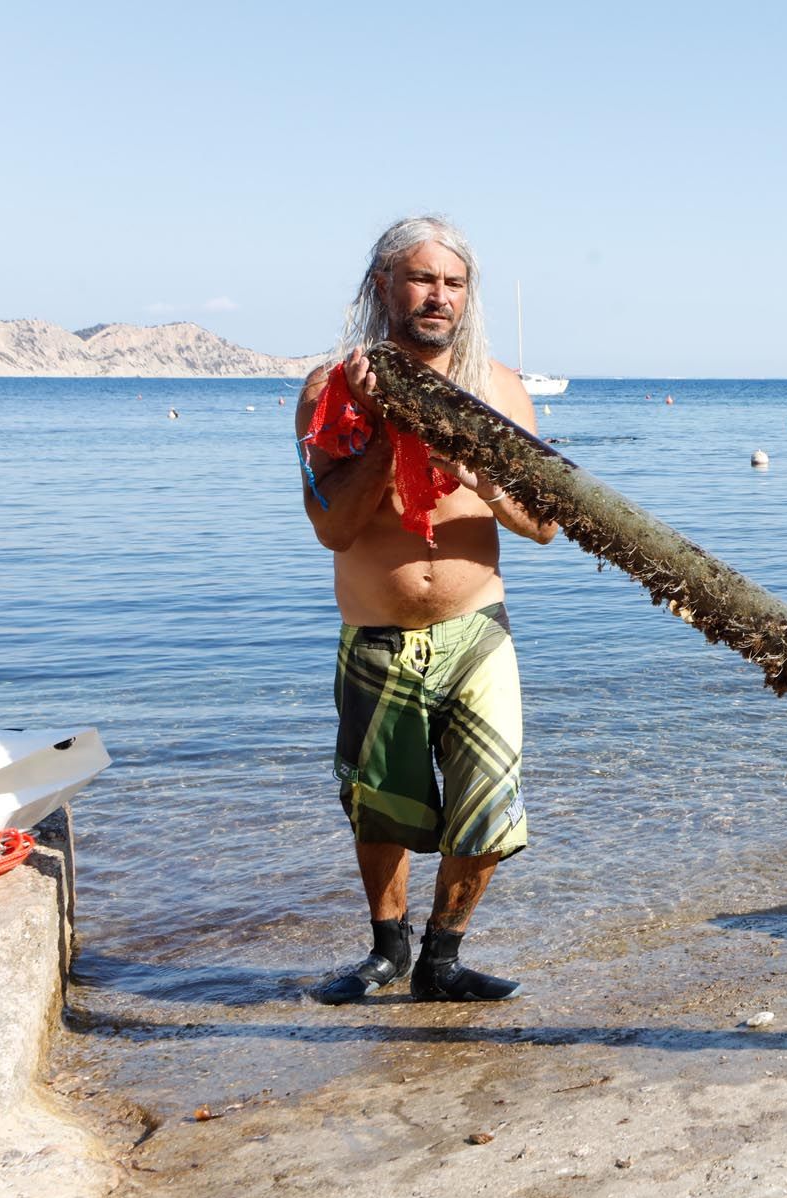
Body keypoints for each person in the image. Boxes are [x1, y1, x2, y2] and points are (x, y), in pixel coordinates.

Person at [295, 216, 559, 1005]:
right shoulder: (330, 391)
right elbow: (333, 527)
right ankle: (387, 949)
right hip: (376, 630)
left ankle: (443, 957)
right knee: (380, 805)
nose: (437, 295)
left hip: (478, 629)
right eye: (421, 277)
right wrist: (392, 433)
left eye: (453, 281)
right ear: (383, 285)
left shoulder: (501, 391)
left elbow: (544, 521)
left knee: (486, 801)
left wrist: (469, 464)